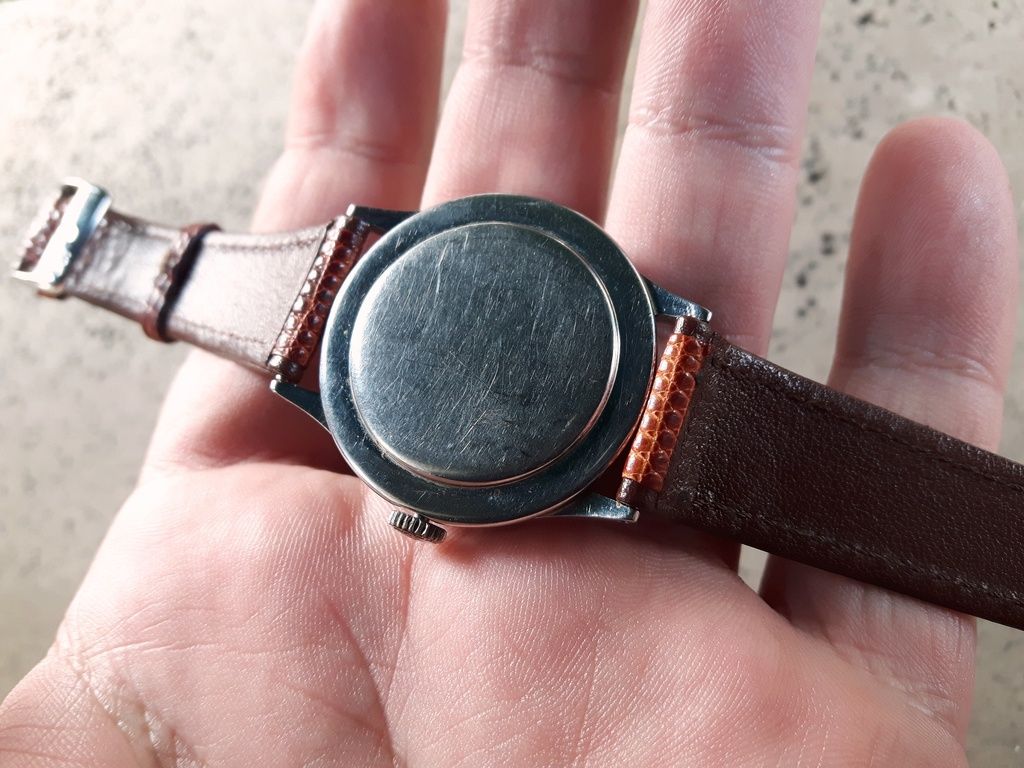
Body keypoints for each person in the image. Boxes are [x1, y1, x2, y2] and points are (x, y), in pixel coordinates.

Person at [0, 0, 1017, 765]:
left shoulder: (630, 404)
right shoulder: (357, 327)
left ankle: (85, 246)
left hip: (565, 376)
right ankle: (87, 246)